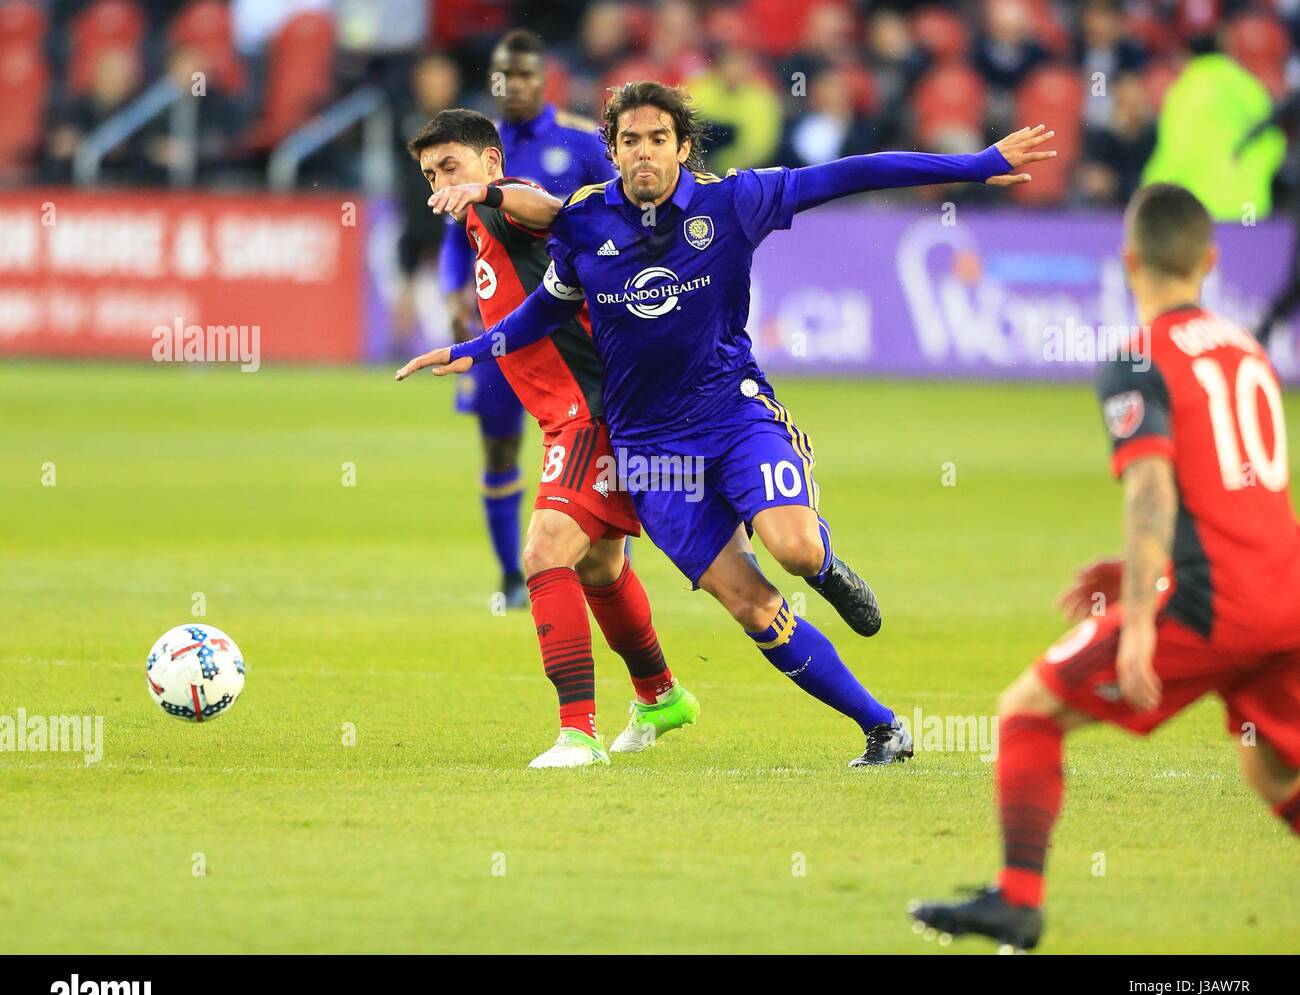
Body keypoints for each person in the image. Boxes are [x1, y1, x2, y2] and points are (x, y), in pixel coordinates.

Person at [398, 81, 1056, 766]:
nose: (644, 152)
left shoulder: (732, 202)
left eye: (658, 138)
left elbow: (849, 173)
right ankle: (883, 728)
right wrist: (471, 350)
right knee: (749, 605)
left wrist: (971, 166)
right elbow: (545, 306)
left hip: (732, 413)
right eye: (630, 141)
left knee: (795, 550)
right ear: (614, 152)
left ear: (682, 146)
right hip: (649, 450)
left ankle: (826, 568)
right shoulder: (586, 222)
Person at [909, 184, 1300, 951]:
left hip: (1210, 605)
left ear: (1128, 264)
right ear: (1210, 261)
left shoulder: (1136, 358)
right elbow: (1234, 491)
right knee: (1277, 773)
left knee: (1027, 709)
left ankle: (1017, 901)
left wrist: (1141, 621)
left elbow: (1154, 486)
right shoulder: (1247, 348)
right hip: (1285, 595)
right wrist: (1135, 569)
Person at [399, 109, 694, 768]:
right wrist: (472, 350)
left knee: (544, 552)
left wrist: (488, 192)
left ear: (492, 164)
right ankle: (660, 697)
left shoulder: (507, 205)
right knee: (599, 566)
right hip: (575, 414)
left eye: (451, 167)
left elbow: (552, 209)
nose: (440, 183)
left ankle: (578, 733)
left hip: (591, 412)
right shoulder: (476, 227)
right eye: (430, 173)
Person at [439, 30, 613, 610]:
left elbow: (609, 220)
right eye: (504, 78)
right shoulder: (474, 147)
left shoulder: (582, 143)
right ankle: (510, 580)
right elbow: (452, 237)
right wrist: (452, 292)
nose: (514, 87)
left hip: (571, 327)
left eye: (526, 77)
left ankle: (604, 567)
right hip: (499, 329)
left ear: (544, 81)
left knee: (596, 448)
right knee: (499, 449)